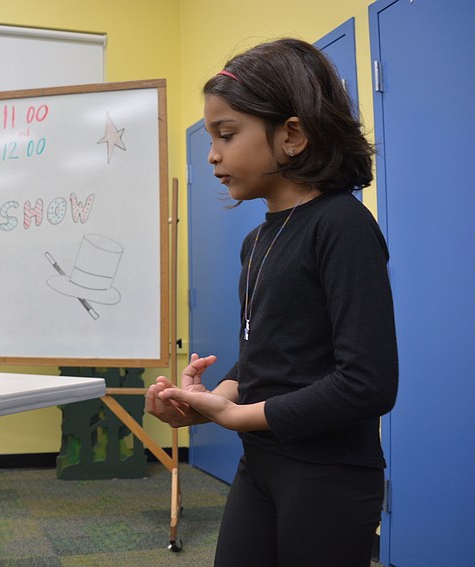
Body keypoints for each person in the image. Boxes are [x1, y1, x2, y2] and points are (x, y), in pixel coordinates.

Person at [146, 38, 398, 567]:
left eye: (227, 134)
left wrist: (239, 416)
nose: (212, 154)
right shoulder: (257, 239)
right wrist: (215, 398)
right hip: (262, 464)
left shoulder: (342, 226)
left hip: (328, 475)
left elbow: (367, 383)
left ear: (291, 135)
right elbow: (275, 350)